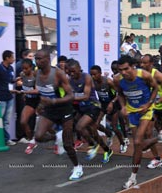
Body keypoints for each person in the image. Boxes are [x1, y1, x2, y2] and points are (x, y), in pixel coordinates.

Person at [113, 55, 162, 189]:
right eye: (120, 69)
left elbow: (156, 89)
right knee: (139, 147)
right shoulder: (117, 79)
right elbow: (120, 94)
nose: (123, 72)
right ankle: (133, 177)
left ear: (133, 66)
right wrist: (123, 106)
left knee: (137, 142)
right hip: (131, 111)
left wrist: (149, 104)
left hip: (146, 110)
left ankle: (133, 176)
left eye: (126, 69)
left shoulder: (145, 75)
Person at [34, 49, 83, 180]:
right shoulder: (37, 73)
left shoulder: (58, 74)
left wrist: (53, 100)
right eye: (36, 58)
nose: (37, 61)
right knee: (38, 136)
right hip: (50, 110)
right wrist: (40, 104)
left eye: (40, 58)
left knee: (67, 144)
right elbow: (42, 91)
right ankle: (56, 137)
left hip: (64, 110)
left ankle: (77, 167)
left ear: (48, 59)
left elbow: (71, 95)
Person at [67, 60, 113, 162]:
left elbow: (86, 96)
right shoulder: (70, 80)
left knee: (79, 127)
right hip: (82, 107)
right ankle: (107, 150)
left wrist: (70, 98)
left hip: (93, 105)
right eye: (69, 72)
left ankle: (92, 144)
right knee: (92, 130)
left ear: (79, 68)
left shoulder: (86, 77)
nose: (71, 74)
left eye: (73, 71)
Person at [90, 65, 127, 153]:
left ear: (100, 73)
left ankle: (122, 143)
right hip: (103, 104)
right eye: (91, 74)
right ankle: (109, 133)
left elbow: (119, 94)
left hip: (114, 104)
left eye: (95, 74)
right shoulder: (92, 82)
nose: (93, 76)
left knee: (114, 127)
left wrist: (112, 102)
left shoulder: (108, 81)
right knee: (96, 124)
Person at [13, 59, 40, 154]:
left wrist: (24, 92)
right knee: (23, 121)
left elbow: (37, 91)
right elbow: (19, 83)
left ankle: (58, 138)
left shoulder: (35, 76)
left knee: (47, 128)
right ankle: (32, 141)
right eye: (23, 68)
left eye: (26, 68)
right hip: (29, 102)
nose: (24, 70)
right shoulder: (22, 74)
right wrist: (15, 81)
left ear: (31, 68)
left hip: (40, 101)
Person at [0, 50, 16, 146]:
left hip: (9, 97)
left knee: (6, 120)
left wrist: (17, 80)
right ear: (7, 58)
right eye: (12, 57)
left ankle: (6, 139)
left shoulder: (11, 68)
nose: (14, 59)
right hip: (0, 97)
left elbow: (11, 81)